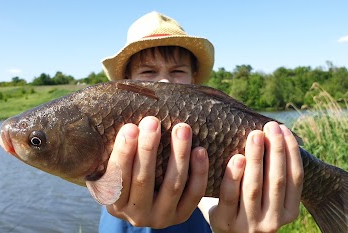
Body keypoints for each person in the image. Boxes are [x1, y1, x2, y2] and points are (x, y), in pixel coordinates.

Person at [90, 11, 304, 233]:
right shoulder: (112, 125)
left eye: (177, 71)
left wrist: (234, 217)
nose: (164, 80)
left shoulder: (212, 121)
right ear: (127, 83)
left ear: (193, 80)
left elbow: (212, 192)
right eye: (148, 71)